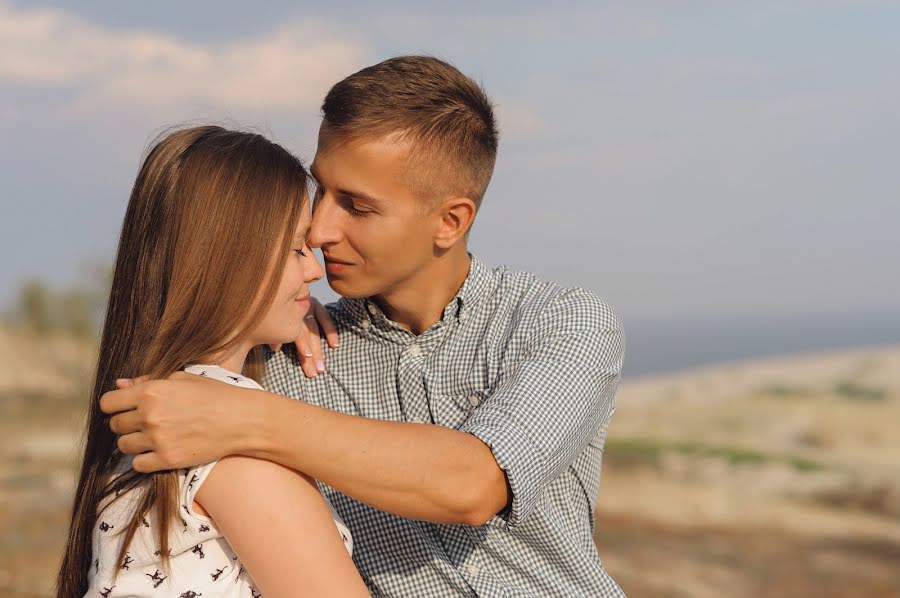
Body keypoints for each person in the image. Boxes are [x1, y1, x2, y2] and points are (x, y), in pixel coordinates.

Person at [102, 56, 627, 597]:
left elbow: (475, 484)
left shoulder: (564, 323)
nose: (321, 227)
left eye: (357, 206)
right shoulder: (289, 356)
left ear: (451, 221)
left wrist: (247, 415)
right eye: (321, 190)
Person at [56, 126, 370, 598]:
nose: (314, 268)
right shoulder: (232, 444)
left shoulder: (151, 416)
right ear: (227, 259)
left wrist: (291, 309)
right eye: (295, 248)